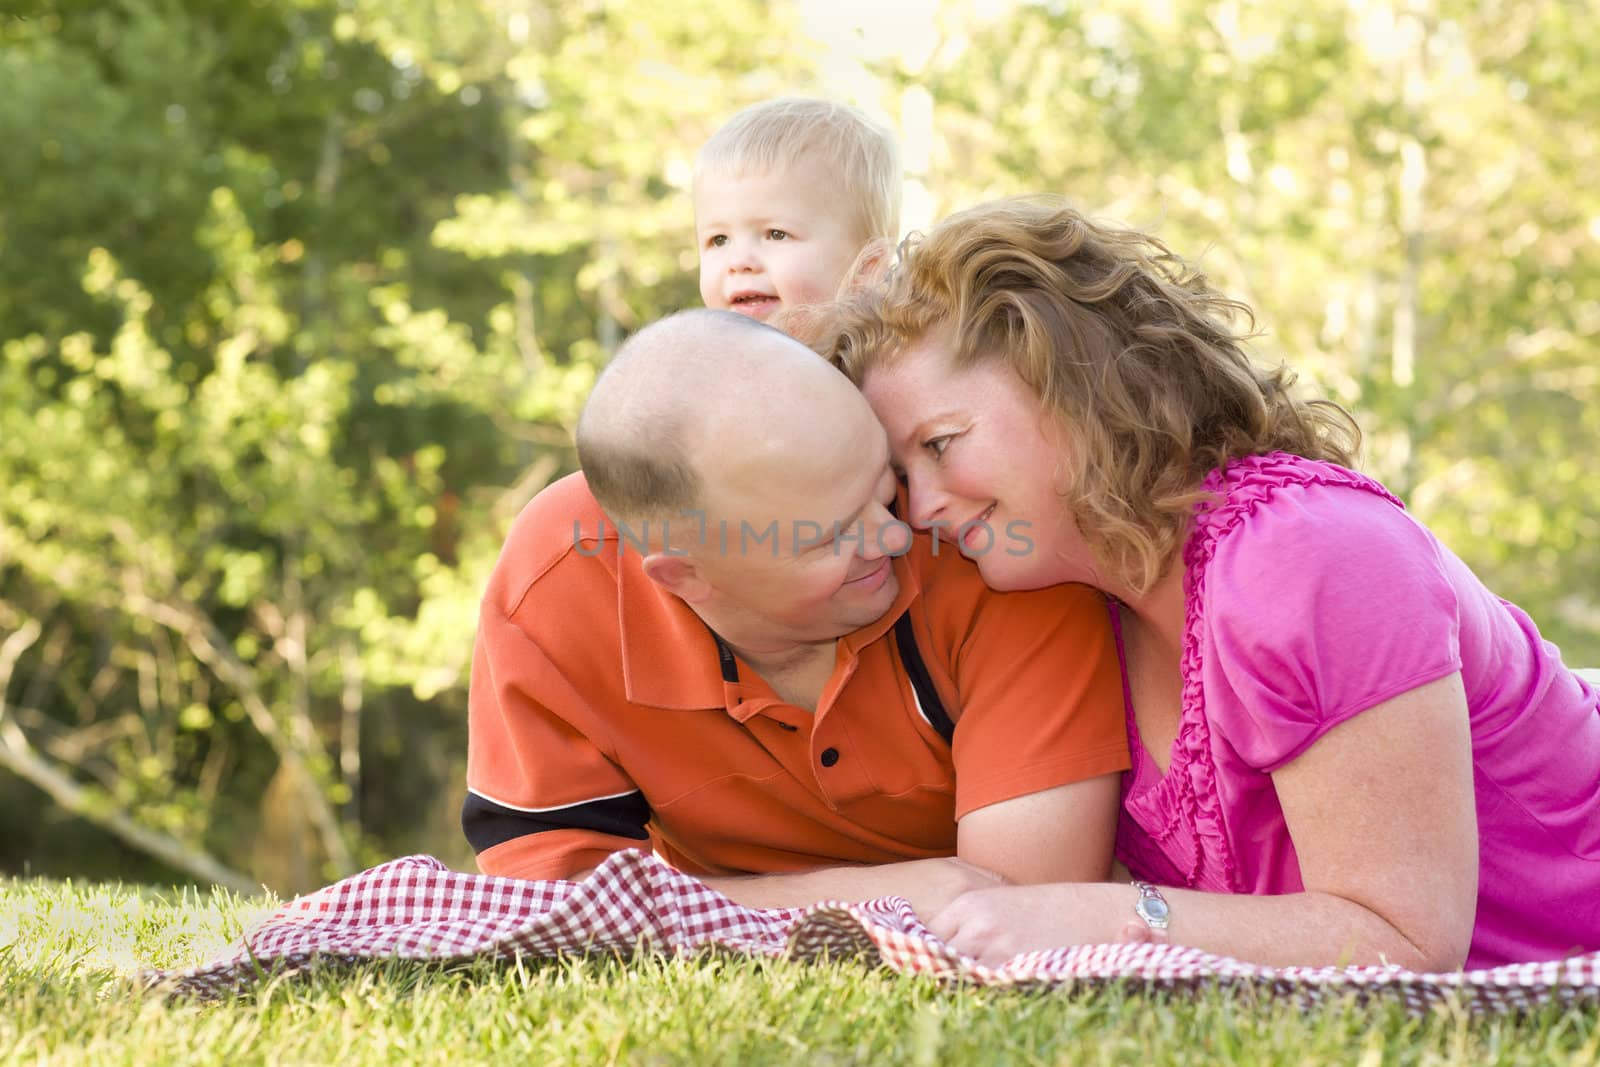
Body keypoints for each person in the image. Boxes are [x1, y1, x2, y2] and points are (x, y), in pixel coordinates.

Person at [820, 196, 1600, 969]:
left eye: (941, 443)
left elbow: (1404, 942)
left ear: (1074, 386)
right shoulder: (1073, 605)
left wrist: (1102, 916)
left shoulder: (1309, 556)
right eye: (901, 474)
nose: (920, 507)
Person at [461, 309, 1130, 915]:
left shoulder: (987, 547)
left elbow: (1023, 908)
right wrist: (866, 894)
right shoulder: (554, 581)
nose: (898, 533)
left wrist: (694, 907)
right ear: (687, 575)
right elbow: (545, 904)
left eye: (882, 484)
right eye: (831, 536)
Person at [695, 97, 899, 323]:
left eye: (776, 234)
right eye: (719, 239)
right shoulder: (696, 355)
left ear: (865, 270)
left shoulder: (900, 356)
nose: (738, 262)